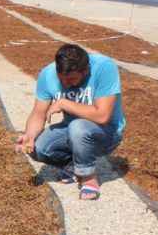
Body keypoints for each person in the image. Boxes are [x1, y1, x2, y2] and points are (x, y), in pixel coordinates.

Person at [15, 44, 126, 200]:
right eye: (62, 80)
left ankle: (88, 177)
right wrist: (29, 135)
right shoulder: (47, 75)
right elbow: (38, 113)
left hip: (106, 132)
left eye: (72, 79)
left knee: (78, 127)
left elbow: (102, 116)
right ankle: (73, 165)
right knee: (38, 148)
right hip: (72, 130)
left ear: (85, 70)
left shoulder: (104, 67)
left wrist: (64, 103)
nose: (66, 84)